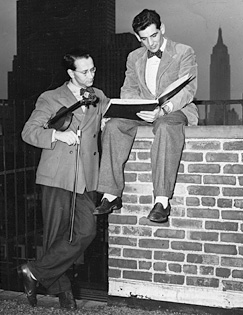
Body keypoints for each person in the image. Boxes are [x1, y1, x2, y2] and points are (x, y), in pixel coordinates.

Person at [18, 48, 109, 309]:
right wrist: (57, 136)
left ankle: (34, 271)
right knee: (55, 236)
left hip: (85, 177)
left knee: (86, 231)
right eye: (85, 71)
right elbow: (29, 132)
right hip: (57, 175)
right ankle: (64, 292)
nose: (91, 74)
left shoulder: (98, 96)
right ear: (71, 73)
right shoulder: (50, 98)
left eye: (93, 69)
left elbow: (108, 116)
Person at [94, 9, 198, 223]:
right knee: (113, 125)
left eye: (154, 36)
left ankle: (162, 200)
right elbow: (129, 88)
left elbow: (188, 90)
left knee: (165, 126)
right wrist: (134, 106)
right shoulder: (134, 57)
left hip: (173, 110)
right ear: (137, 37)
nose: (150, 43)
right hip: (144, 111)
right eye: (144, 39)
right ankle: (111, 194)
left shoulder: (184, 51)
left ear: (162, 29)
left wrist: (164, 109)